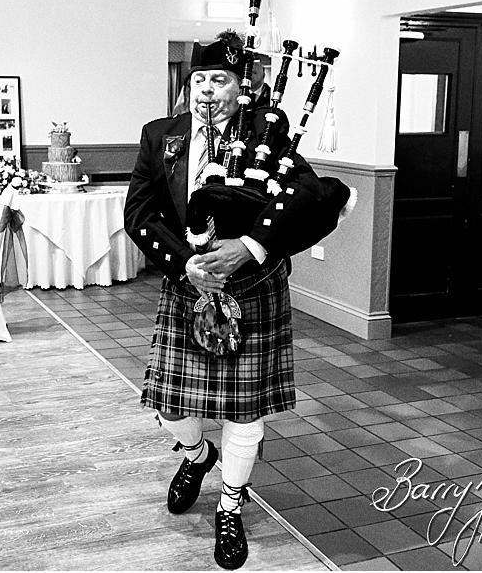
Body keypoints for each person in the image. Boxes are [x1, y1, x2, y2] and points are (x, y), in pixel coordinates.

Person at [124, 35, 346, 570]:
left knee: (242, 412)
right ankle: (198, 457)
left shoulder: (270, 131)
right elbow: (140, 212)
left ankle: (230, 503)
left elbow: (317, 202)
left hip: (253, 289)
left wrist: (251, 246)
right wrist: (185, 263)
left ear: (239, 85)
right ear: (187, 86)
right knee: (169, 404)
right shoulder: (162, 136)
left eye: (219, 80)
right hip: (188, 286)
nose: (207, 91)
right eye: (199, 80)